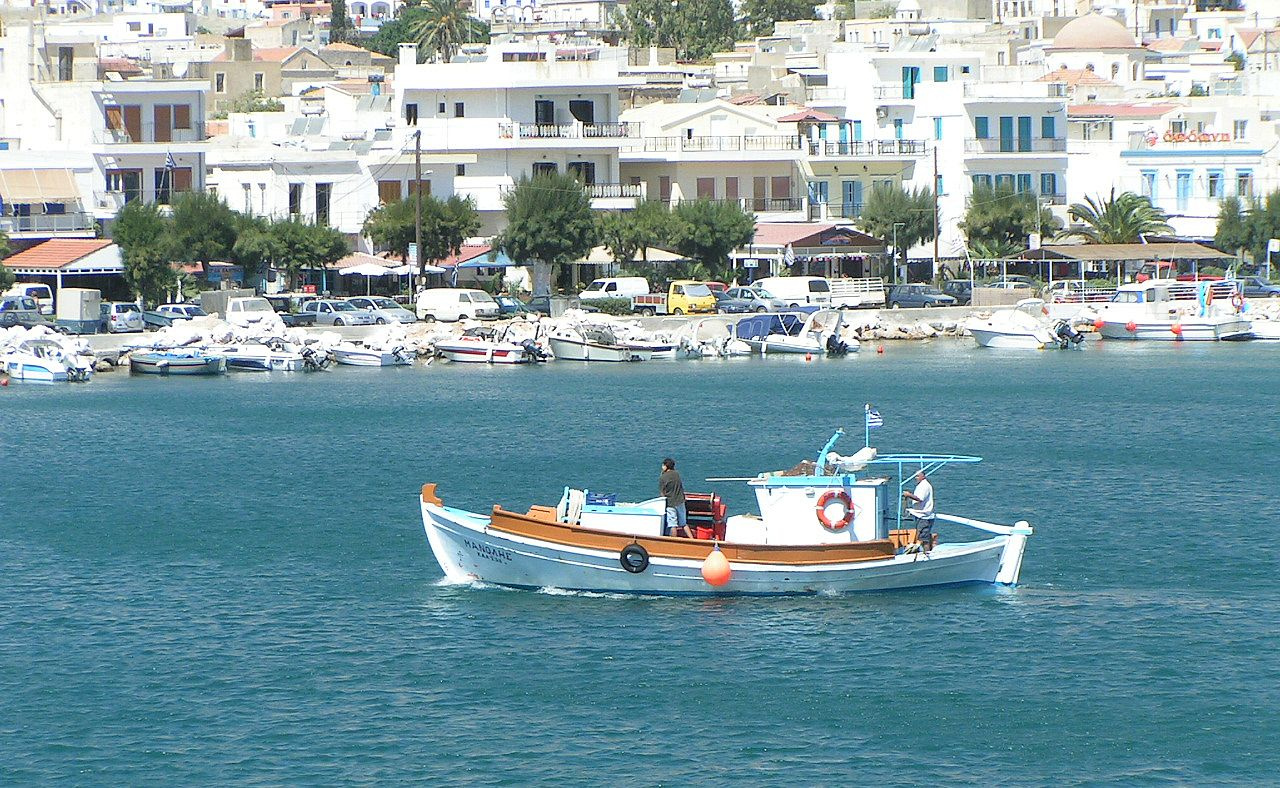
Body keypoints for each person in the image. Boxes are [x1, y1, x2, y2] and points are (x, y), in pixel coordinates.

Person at [902, 469, 935, 550]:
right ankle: (925, 551)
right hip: (920, 515)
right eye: (915, 476)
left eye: (917, 476)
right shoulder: (921, 485)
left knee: (923, 538)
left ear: (923, 476)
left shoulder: (924, 486)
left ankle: (926, 553)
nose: (915, 478)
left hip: (924, 516)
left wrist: (908, 495)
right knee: (922, 535)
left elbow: (920, 499)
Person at [659, 457, 693, 538]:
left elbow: (662, 493)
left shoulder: (663, 477)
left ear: (665, 466)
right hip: (680, 501)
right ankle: (692, 539)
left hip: (670, 503)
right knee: (684, 523)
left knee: (672, 524)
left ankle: (674, 541)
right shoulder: (677, 474)